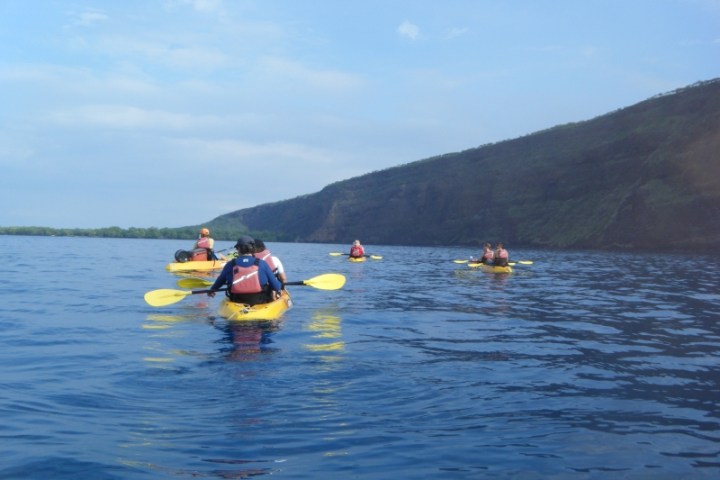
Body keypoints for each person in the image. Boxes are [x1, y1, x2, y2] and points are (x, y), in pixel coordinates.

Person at [207, 236, 282, 305]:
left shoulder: (230, 264)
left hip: (236, 301)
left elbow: (220, 280)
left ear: (238, 249)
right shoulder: (262, 263)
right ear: (253, 249)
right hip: (259, 301)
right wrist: (281, 284)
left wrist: (212, 290)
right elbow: (276, 287)